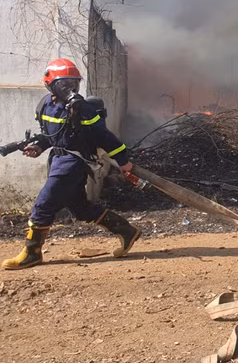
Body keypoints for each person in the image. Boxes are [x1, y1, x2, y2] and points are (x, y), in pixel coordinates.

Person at [2, 59, 141, 270]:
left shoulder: (84, 109)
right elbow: (52, 135)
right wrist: (39, 146)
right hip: (57, 160)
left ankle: (32, 253)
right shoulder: (46, 105)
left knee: (43, 204)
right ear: (51, 83)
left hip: (73, 163)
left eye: (73, 82)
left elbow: (104, 137)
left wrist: (124, 162)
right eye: (64, 82)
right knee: (80, 208)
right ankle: (127, 231)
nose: (70, 87)